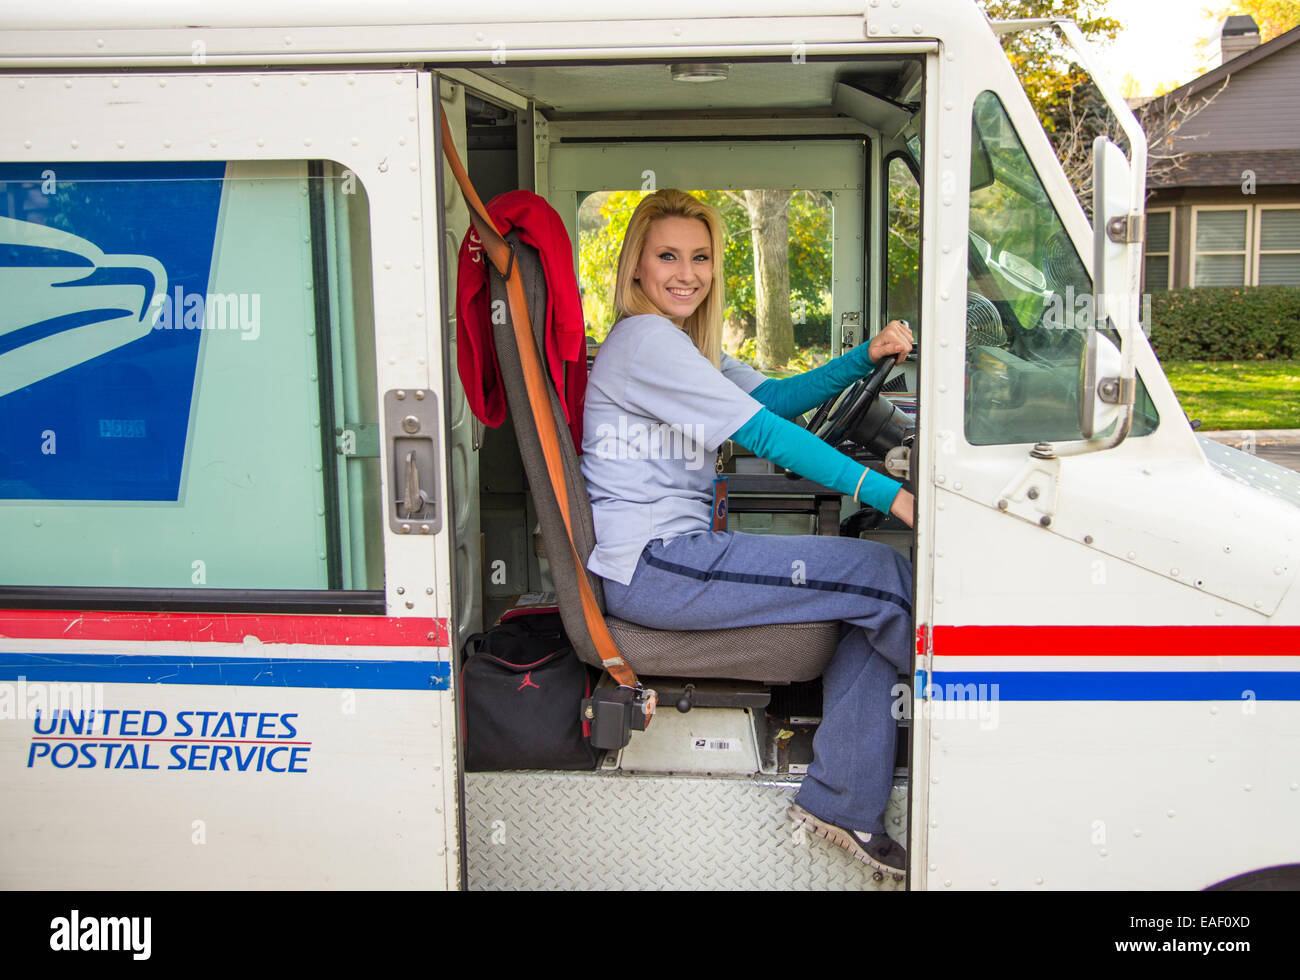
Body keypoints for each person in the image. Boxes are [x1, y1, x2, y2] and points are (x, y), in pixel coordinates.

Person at [581, 189, 916, 876]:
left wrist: (865, 358)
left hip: (670, 563)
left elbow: (769, 400)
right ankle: (979, 728)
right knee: (884, 574)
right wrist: (893, 496)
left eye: (700, 257)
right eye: (667, 255)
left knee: (869, 590)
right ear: (636, 267)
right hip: (657, 567)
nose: (686, 272)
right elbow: (763, 433)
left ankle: (844, 799)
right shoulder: (645, 341)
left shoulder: (682, 348)